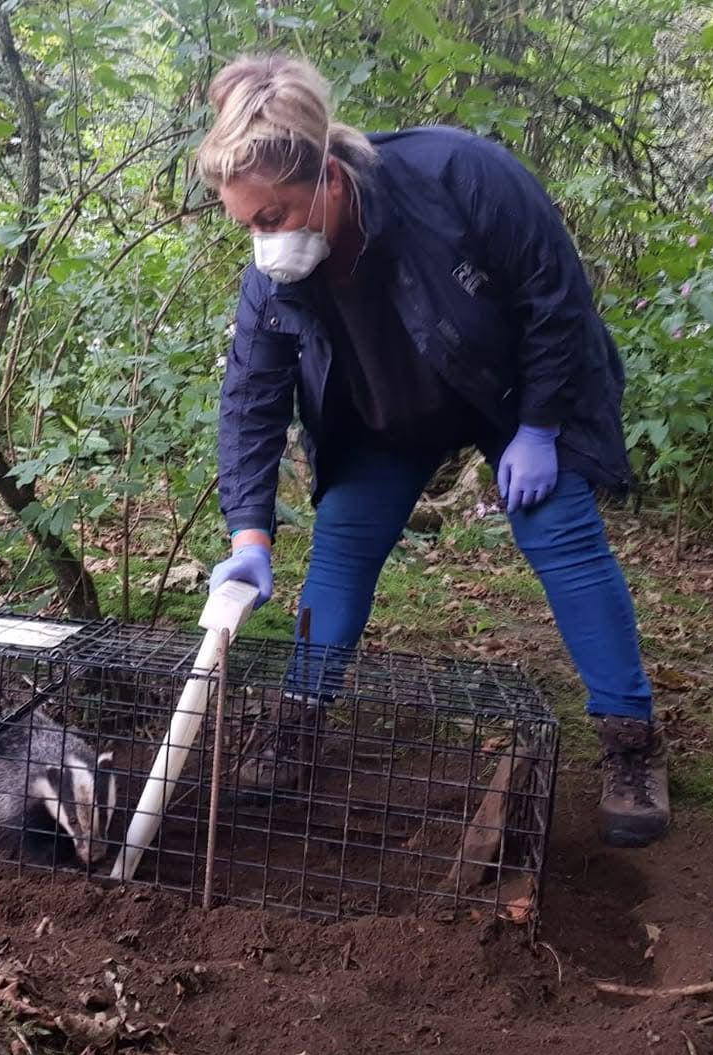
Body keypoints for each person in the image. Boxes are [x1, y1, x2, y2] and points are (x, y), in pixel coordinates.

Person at [198, 54, 667, 847]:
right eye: (245, 224)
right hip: (383, 415)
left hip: (511, 391)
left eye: (270, 218)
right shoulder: (273, 278)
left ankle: (631, 743)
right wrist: (249, 534)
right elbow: (250, 398)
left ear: (331, 181)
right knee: (343, 546)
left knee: (563, 538)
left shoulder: (459, 176)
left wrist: (543, 427)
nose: (261, 243)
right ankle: (297, 724)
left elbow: (557, 298)